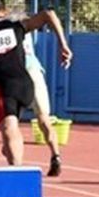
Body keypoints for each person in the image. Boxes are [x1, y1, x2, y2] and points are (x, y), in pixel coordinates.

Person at [0, 0, 72, 176]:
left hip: (3, 87)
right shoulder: (17, 26)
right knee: (39, 120)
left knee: (9, 130)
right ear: (5, 10)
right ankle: (54, 154)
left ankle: (16, 175)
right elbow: (49, 14)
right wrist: (63, 45)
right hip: (26, 83)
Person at [22, 29, 64, 165]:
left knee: (10, 122)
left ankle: (14, 161)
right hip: (34, 70)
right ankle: (55, 155)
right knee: (43, 118)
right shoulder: (26, 29)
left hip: (17, 73)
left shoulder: (2, 29)